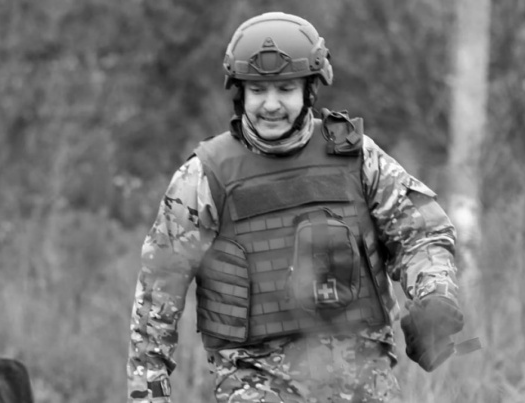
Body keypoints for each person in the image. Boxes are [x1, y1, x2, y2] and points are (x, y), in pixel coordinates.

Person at [128, 11, 465, 403]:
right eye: (257, 90)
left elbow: (422, 234)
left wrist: (435, 297)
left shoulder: (357, 158)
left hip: (365, 385)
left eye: (285, 89)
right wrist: (149, 394)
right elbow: (158, 294)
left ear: (309, 91)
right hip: (255, 387)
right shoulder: (204, 177)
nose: (271, 105)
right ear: (240, 94)